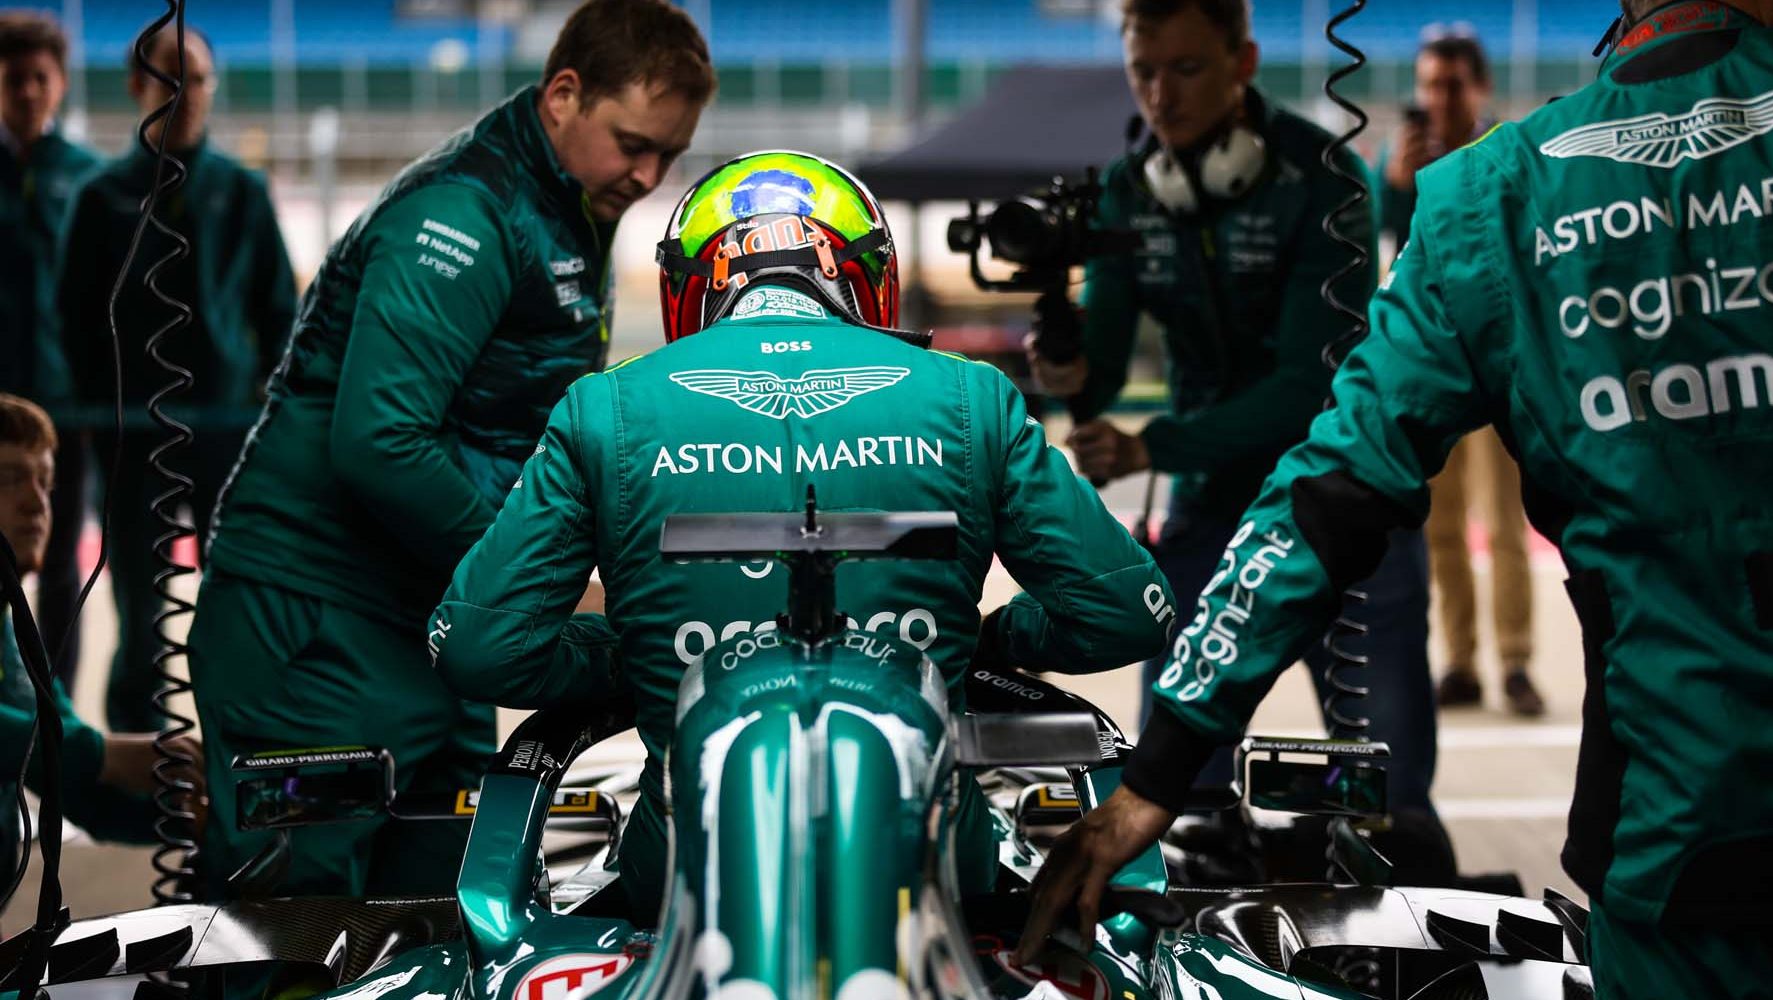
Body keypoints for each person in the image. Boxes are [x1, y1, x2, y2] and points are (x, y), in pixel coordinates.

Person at [1021, 2, 1773, 996]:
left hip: (1679, 854)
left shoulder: (1488, 193)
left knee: (1394, 813)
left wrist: (1154, 771)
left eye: (1185, 67)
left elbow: (1329, 491)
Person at [431, 150, 1175, 921]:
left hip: (687, 878)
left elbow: (479, 646)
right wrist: (991, 641)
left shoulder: (603, 408)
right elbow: (1126, 611)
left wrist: (637, 657)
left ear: (695, 282)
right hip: (938, 876)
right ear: (861, 274)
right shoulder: (970, 395)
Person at [189, 0, 712, 901]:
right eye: (634, 143)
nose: (650, 173)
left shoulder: (568, 202)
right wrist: (542, 581)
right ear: (563, 95)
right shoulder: (466, 216)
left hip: (431, 626)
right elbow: (382, 444)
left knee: (451, 909)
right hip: (313, 630)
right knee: (300, 933)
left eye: (669, 154)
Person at [1026, 0, 1447, 878]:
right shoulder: (1130, 189)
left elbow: (1309, 387)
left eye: (1184, 69)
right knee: (1178, 803)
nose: (1160, 95)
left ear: (1242, 60)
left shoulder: (1322, 176)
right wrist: (1059, 354)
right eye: (1144, 70)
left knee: (1391, 811)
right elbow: (1096, 378)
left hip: (1347, 511)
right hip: (1209, 518)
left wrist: (1153, 447)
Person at [55, 24, 296, 733]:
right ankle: (137, 766)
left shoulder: (243, 192)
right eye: (168, 76)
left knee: (238, 603)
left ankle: (238, 752)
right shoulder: (100, 197)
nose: (184, 93)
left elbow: (280, 310)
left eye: (197, 77)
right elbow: (72, 319)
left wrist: (269, 405)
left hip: (229, 436)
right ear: (137, 86)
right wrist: (103, 415)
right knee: (139, 610)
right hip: (134, 441)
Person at [1375, 28, 1546, 717]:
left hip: (1499, 370)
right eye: (1429, 85)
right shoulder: (1398, 162)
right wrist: (1393, 189)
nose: (1439, 99)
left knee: (1506, 523)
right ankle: (1463, 662)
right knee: (1440, 530)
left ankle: (1516, 662)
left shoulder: (1505, 155)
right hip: (1429, 367)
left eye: (1451, 85)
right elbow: (1381, 251)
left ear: (1480, 89)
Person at [0, 392, 202, 879]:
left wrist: (202, 816)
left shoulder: (10, 632)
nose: (36, 501)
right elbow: (66, 750)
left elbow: (81, 788)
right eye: (8, 479)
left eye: (45, 483)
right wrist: (103, 752)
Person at [0, 11, 95, 689]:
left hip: (69, 406)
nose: (27, 92)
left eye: (39, 78)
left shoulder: (89, 179)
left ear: (59, 84)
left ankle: (52, 715)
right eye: (13, 80)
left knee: (62, 565)